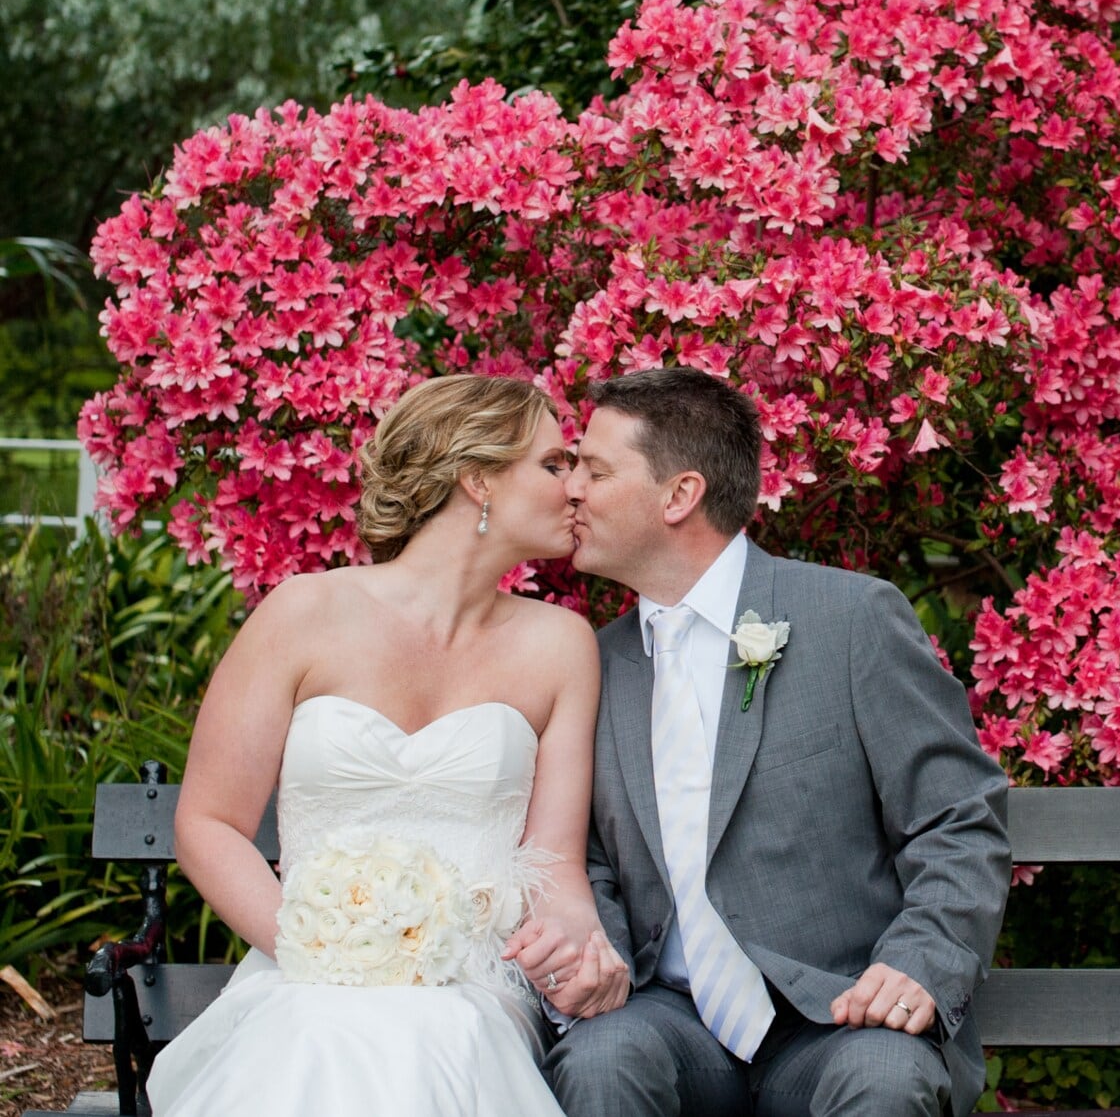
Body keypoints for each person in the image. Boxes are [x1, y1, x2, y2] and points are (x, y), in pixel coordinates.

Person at [534, 366, 1010, 1117]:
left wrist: (919, 963)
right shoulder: (595, 662)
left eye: (595, 469)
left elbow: (957, 817)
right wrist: (598, 956)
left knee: (886, 1076)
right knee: (601, 1058)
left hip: (839, 1016)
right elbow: (587, 855)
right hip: (671, 1019)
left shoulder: (851, 619)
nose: (572, 490)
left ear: (679, 495)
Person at [148, 374, 629, 1115]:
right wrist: (325, 954)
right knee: (320, 1031)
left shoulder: (560, 645)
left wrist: (581, 945)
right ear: (477, 478)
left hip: (468, 987)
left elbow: (553, 865)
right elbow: (207, 823)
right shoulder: (303, 612)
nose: (575, 488)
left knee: (428, 1036)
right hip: (301, 974)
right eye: (554, 463)